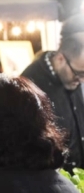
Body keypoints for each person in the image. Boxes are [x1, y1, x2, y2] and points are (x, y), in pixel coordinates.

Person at [21, 15, 84, 172]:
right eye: (79, 73)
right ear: (61, 59)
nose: (81, 80)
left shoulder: (71, 77)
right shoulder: (31, 84)